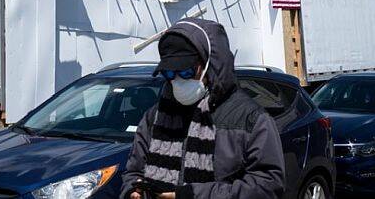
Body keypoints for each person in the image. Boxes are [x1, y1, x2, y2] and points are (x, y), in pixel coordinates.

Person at [121, 18, 285, 199]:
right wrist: (132, 191)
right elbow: (133, 171)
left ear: (209, 65)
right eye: (169, 73)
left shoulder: (250, 119)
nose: (177, 80)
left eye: (186, 72)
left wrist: (193, 195)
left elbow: (268, 187)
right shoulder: (156, 115)